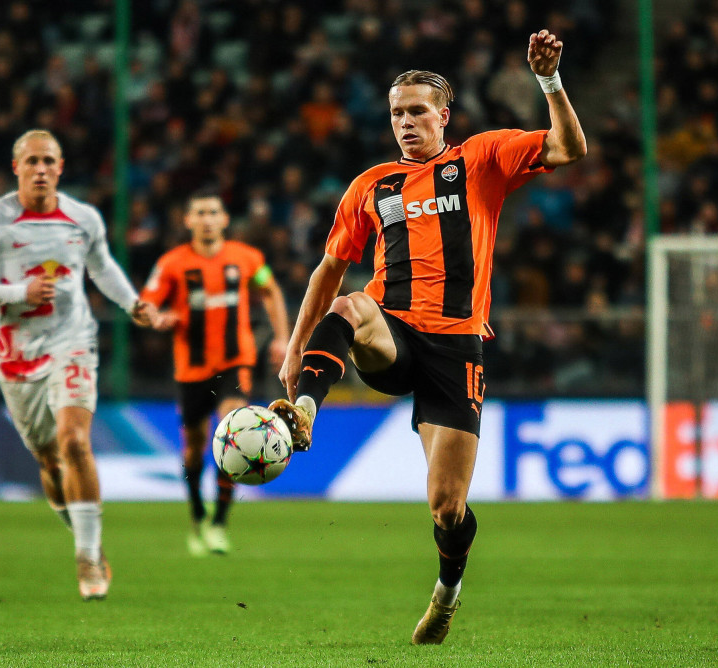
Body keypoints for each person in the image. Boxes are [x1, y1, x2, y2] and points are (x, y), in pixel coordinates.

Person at [268, 30, 586, 644]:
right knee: (352, 303)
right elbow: (330, 267)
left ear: (445, 116)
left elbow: (570, 148)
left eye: (418, 111)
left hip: (457, 346)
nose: (406, 122)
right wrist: (293, 350)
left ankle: (446, 593)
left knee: (447, 507)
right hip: (392, 332)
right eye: (396, 113)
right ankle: (305, 411)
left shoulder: (483, 159)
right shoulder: (372, 185)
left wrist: (549, 82)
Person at [0, 129, 157, 601]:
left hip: (72, 342)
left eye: (49, 161)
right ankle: (85, 534)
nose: (40, 169)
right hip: (17, 355)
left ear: (60, 168)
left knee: (74, 441)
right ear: (15, 168)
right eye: (32, 161)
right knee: (49, 462)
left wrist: (131, 303)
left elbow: (101, 266)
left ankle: (87, 556)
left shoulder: (83, 218)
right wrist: (17, 293)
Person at [139, 188, 290, 556]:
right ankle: (196, 517)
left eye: (213, 212)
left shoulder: (247, 258)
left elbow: (270, 289)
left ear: (224, 219)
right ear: (188, 220)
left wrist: (282, 337)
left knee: (233, 432)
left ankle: (220, 523)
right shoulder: (173, 263)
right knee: (193, 450)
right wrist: (156, 317)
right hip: (191, 368)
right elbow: (143, 304)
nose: (207, 219)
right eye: (200, 212)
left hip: (235, 361)